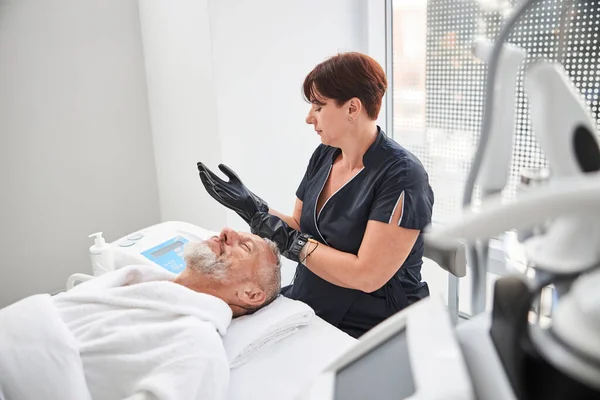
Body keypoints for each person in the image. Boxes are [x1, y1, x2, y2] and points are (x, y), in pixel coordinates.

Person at [197, 52, 434, 339]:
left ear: (352, 108)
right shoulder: (325, 155)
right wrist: (252, 208)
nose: (310, 118)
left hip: (372, 321)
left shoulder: (403, 176)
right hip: (311, 299)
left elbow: (367, 275)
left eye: (318, 107)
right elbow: (300, 226)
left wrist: (294, 244)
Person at [0, 228, 281, 400]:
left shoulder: (196, 348)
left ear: (250, 295)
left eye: (244, 246)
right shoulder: (133, 281)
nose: (226, 232)